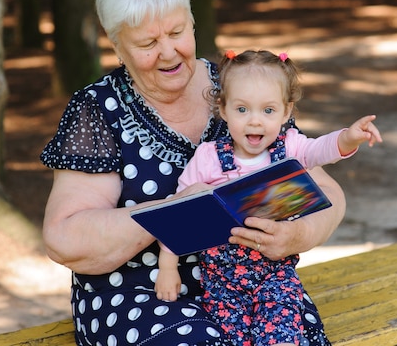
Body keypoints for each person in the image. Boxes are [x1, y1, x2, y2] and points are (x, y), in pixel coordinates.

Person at [40, 0, 348, 346]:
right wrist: (175, 213)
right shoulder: (98, 108)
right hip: (139, 296)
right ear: (117, 44)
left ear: (193, 20)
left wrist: (296, 235)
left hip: (250, 285)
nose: (168, 52)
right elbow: (64, 238)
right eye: (148, 43)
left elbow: (328, 194)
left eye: (177, 31)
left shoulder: (238, 89)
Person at [154, 49, 382, 346]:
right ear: (223, 109)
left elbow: (320, 150)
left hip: (276, 274)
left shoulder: (289, 148)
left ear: (287, 112)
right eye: (242, 110)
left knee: (283, 335)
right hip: (224, 281)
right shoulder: (208, 158)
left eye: (268, 111)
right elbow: (179, 215)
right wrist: (168, 268)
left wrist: (349, 138)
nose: (255, 122)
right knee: (234, 339)